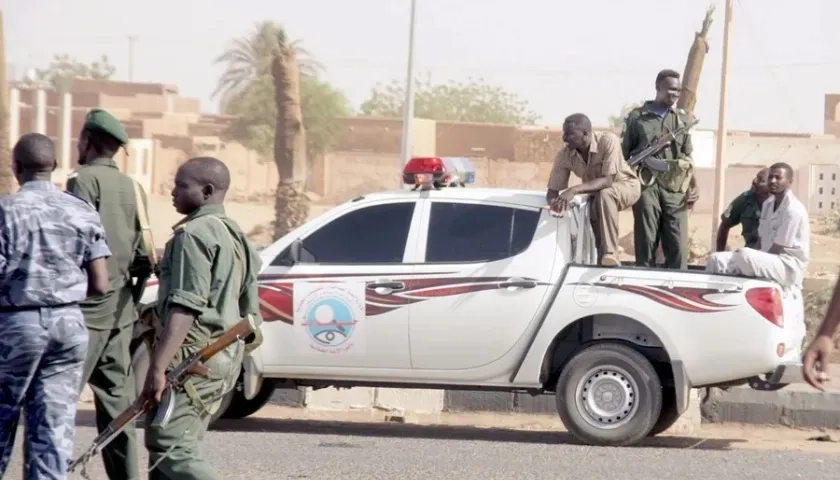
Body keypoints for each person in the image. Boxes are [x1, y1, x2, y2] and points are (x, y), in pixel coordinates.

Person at [139, 156, 262, 479]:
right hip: (222, 356)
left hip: (194, 358)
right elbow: (251, 309)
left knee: (169, 443)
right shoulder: (235, 234)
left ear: (207, 191)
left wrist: (158, 367)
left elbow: (185, 308)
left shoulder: (193, 235)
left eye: (181, 185)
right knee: (176, 444)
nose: (173, 192)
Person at [0, 133, 112, 479]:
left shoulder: (5, 211)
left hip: (16, 325)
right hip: (69, 326)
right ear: (54, 167)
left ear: (16, 168)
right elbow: (101, 283)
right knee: (52, 429)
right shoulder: (81, 210)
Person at [66, 108, 153, 479]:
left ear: (89, 141)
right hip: (121, 312)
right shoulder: (134, 187)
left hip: (86, 312)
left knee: (60, 401)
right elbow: (142, 256)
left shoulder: (82, 182)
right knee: (118, 406)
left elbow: (77, 245)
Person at [622, 69, 700, 269]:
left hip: (674, 187)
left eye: (677, 90)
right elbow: (625, 155)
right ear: (658, 87)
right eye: (670, 90)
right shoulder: (637, 117)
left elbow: (687, 156)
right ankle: (644, 279)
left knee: (678, 242)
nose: (674, 94)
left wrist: (694, 185)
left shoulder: (681, 119)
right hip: (646, 184)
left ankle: (678, 284)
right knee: (646, 239)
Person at [546, 113, 641, 266]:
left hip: (626, 186)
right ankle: (604, 260)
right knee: (596, 218)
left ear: (585, 133)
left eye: (570, 134)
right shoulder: (564, 155)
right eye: (564, 133)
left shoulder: (607, 140)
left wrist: (573, 190)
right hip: (597, 195)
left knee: (605, 194)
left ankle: (611, 252)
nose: (564, 138)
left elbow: (608, 180)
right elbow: (552, 191)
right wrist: (554, 205)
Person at [705, 162, 810, 289]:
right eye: (770, 177)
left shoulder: (793, 210)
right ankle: (711, 298)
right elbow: (760, 242)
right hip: (764, 259)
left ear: (789, 182)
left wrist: (751, 257)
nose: (772, 181)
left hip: (786, 265)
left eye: (778, 177)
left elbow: (777, 249)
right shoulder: (768, 204)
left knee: (745, 255)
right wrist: (747, 257)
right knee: (716, 260)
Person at [714, 168, 770, 252]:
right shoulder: (744, 199)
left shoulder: (780, 203)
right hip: (750, 252)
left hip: (772, 254)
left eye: (760, 180)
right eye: (756, 177)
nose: (754, 181)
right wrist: (720, 252)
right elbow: (724, 225)